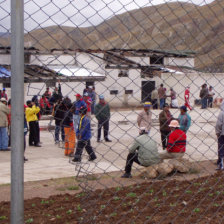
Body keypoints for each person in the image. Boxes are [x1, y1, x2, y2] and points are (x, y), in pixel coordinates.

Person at [215, 101, 224, 170]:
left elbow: (219, 124)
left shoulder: (222, 113)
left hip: (222, 134)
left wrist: (218, 132)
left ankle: (221, 165)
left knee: (221, 148)